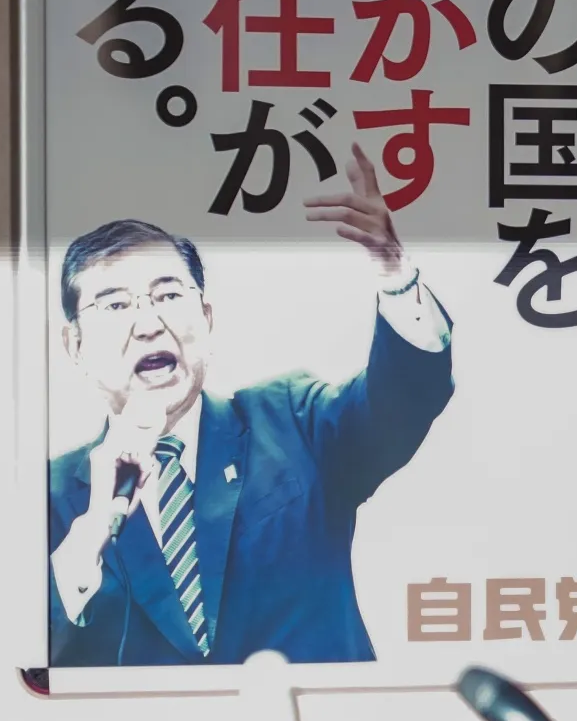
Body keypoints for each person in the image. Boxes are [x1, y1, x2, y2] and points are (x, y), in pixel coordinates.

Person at [48, 145, 455, 667]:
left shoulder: (291, 421)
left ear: (208, 317)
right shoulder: (47, 498)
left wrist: (395, 274)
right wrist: (91, 535)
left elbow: (399, 402)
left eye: (169, 295)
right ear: (75, 346)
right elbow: (19, 661)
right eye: (116, 305)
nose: (148, 323)